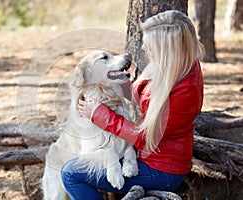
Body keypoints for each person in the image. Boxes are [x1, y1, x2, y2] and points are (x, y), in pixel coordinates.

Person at [61, 10, 205, 200]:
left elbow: (147, 138)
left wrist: (101, 115)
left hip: (162, 170)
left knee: (70, 173)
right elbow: (146, 99)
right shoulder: (173, 66)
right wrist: (115, 84)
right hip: (146, 156)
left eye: (150, 46)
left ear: (168, 50)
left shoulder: (186, 91)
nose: (144, 49)